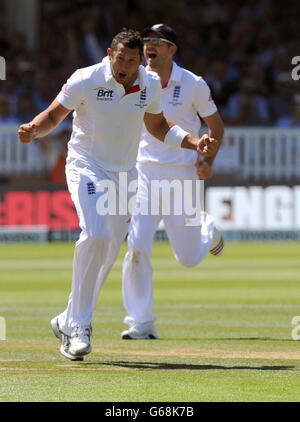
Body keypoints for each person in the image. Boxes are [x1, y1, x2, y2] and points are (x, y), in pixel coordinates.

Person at [18, 28, 219, 361]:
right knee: (95, 234)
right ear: (109, 55)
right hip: (87, 167)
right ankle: (79, 328)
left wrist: (194, 142)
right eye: (120, 58)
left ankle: (68, 318)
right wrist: (34, 129)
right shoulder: (86, 78)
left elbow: (158, 127)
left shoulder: (149, 84)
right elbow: (55, 114)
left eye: (131, 60)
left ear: (140, 61)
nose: (124, 66)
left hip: (126, 175)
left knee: (108, 252)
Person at [121, 24, 224, 340]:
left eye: (157, 42)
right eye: (147, 41)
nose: (149, 46)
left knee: (190, 259)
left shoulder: (192, 84)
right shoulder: (134, 79)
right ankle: (141, 321)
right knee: (137, 245)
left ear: (171, 50)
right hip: (144, 175)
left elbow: (216, 126)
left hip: (183, 178)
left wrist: (206, 161)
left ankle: (207, 229)